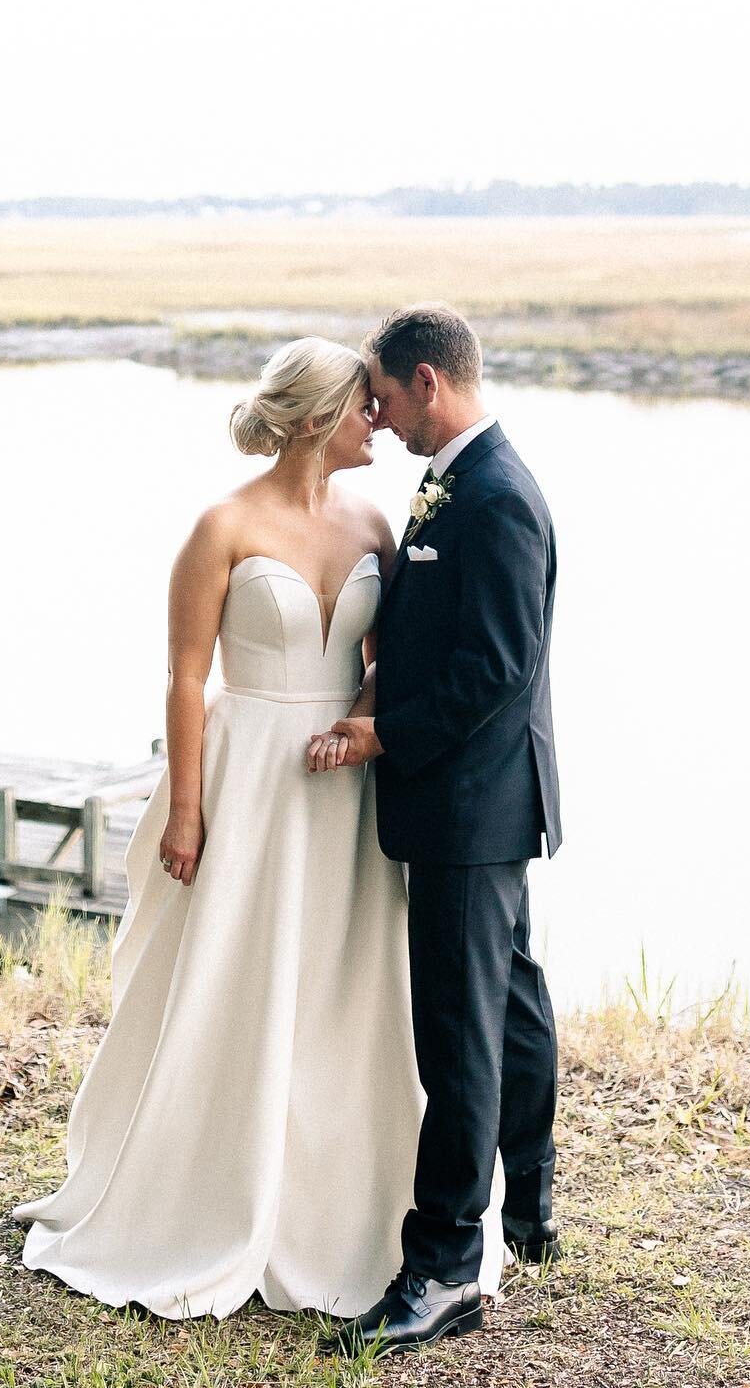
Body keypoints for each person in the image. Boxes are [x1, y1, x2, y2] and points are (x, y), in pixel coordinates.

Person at [15, 336, 504, 1319]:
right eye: (366, 407)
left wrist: (366, 719)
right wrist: (186, 808)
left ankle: (333, 1211)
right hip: (246, 781)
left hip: (342, 792)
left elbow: (388, 662)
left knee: (338, 991)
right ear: (324, 419)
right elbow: (184, 679)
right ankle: (198, 1195)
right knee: (228, 980)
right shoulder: (223, 527)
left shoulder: (377, 523)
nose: (384, 420)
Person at [310, 304, 563, 1357]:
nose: (375, 413)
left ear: (428, 380)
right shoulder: (461, 476)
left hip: (469, 800)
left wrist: (380, 736)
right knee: (506, 1000)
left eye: (381, 394)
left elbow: (495, 669)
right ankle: (531, 1208)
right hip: (479, 799)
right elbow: (442, 631)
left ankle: (446, 1267)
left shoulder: (495, 497)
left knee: (458, 1033)